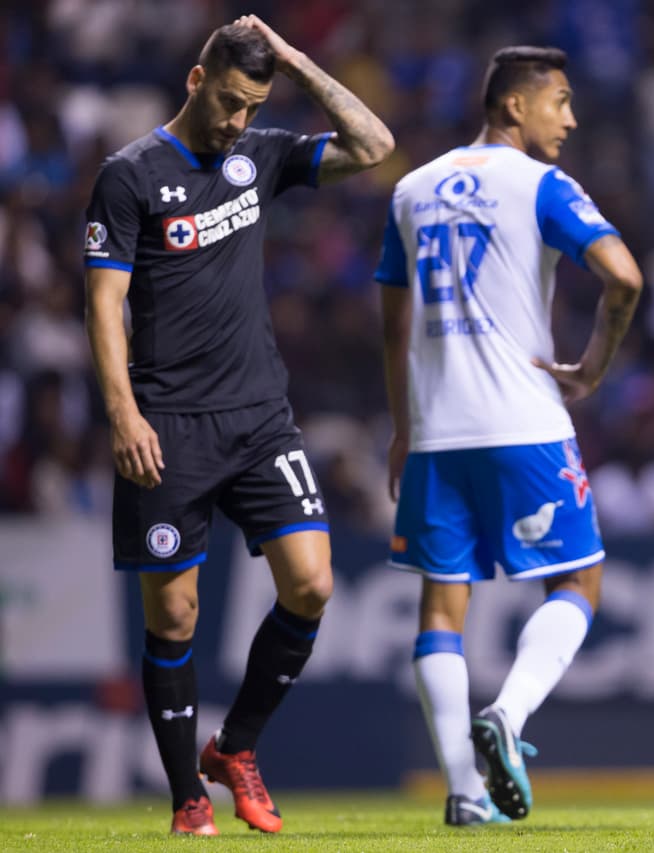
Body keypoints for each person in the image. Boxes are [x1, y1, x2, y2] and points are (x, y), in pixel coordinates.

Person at [83, 17, 393, 836]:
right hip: (168, 426)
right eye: (227, 102)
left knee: (313, 583)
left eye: (252, 107)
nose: (235, 122)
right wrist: (122, 412)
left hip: (260, 417)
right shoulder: (131, 176)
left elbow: (373, 145)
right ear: (195, 80)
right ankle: (190, 794)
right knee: (175, 617)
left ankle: (237, 746)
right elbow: (104, 303)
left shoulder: (259, 155)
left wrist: (296, 62)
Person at [375, 46, 643, 827]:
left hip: (434, 431)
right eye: (559, 100)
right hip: (524, 421)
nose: (571, 117)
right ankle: (509, 716)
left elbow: (393, 330)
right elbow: (623, 276)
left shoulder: (411, 189)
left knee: (439, 608)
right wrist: (592, 367)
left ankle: (462, 790)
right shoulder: (541, 185)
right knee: (577, 584)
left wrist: (402, 427)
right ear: (514, 107)